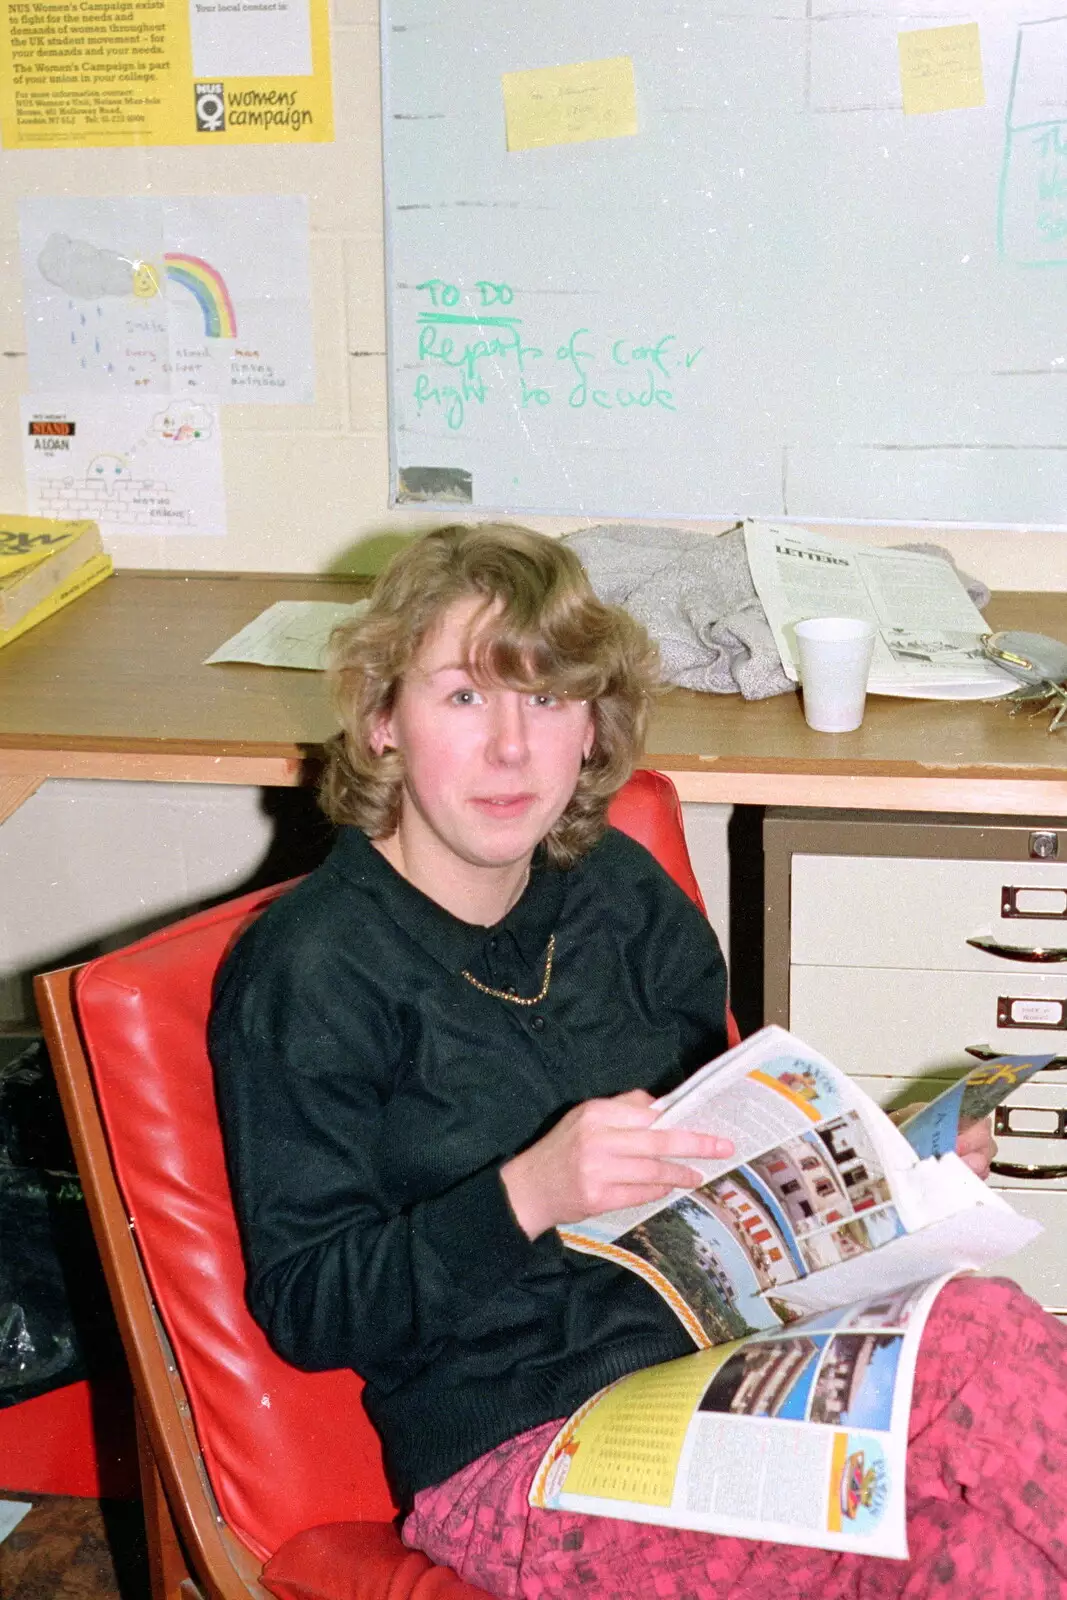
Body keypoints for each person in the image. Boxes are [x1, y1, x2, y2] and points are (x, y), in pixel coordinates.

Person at [209, 523, 1067, 1600]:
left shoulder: (616, 891)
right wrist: (525, 1193)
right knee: (954, 1557)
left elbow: (721, 1175)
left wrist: (882, 1184)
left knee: (982, 1331)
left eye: (548, 700)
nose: (510, 747)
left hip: (710, 1370)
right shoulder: (312, 970)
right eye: (463, 698)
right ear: (383, 720)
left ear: (592, 729)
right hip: (520, 1458)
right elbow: (308, 1304)